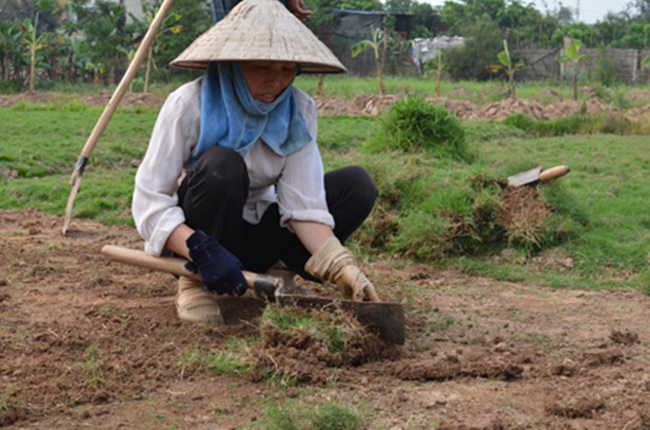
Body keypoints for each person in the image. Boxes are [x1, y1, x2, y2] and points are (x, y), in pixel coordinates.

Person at [132, 0, 379, 326]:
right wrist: (200, 251)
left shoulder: (298, 111)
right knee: (223, 165)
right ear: (233, 63)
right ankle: (193, 283)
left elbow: (304, 205)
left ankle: (279, 268)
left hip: (259, 233)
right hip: (206, 236)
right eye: (262, 68)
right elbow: (149, 203)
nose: (275, 83)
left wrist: (340, 265)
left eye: (286, 69)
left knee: (357, 185)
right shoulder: (188, 104)